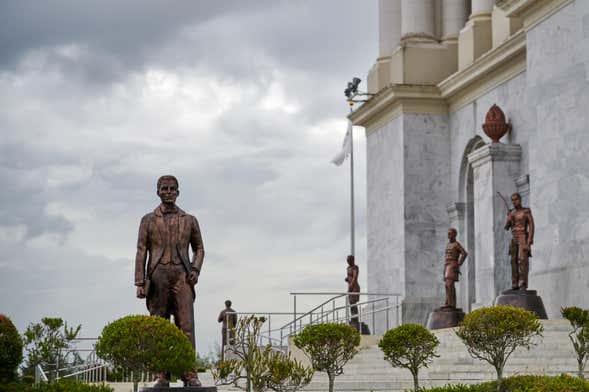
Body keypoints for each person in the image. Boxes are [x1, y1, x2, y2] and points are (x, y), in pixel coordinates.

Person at [134, 175, 204, 387]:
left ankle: (189, 373)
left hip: (182, 276)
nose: (168, 192)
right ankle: (160, 374)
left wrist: (195, 269)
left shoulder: (189, 220)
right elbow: (141, 250)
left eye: (172, 189)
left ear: (178, 192)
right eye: (164, 189)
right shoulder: (148, 220)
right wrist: (140, 281)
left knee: (187, 325)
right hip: (158, 276)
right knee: (158, 325)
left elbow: (199, 248)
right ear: (158, 192)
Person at [504, 192, 535, 290]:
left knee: (522, 260)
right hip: (514, 238)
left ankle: (523, 283)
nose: (514, 202)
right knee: (513, 261)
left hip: (522, 236)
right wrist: (508, 219)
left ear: (520, 200)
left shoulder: (526, 211)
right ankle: (515, 283)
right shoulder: (512, 213)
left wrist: (529, 241)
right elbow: (506, 227)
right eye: (512, 200)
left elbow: (531, 225)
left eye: (516, 199)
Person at [443, 228, 468, 309]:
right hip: (447, 265)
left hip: (452, 265)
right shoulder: (448, 244)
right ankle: (448, 302)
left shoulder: (456, 244)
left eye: (450, 233)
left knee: (450, 284)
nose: (448, 235)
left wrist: (458, 264)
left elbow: (464, 253)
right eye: (448, 233)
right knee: (447, 285)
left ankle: (452, 304)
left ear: (454, 234)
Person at [345, 255, 360, 327]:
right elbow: (350, 277)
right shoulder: (348, 268)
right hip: (350, 288)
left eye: (349, 260)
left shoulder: (355, 267)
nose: (348, 262)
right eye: (347, 260)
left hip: (354, 288)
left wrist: (351, 285)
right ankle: (353, 319)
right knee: (351, 304)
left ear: (352, 260)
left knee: (353, 304)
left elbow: (355, 277)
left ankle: (355, 321)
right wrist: (347, 279)